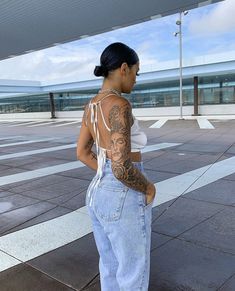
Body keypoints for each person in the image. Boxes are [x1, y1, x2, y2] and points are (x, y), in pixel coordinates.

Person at [77, 42, 156, 291]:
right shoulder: (119, 105)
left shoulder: (91, 105)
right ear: (124, 68)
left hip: (98, 191)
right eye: (136, 72)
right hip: (123, 190)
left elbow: (81, 153)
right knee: (133, 273)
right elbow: (122, 168)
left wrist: (105, 170)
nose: (136, 78)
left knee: (110, 267)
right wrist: (147, 187)